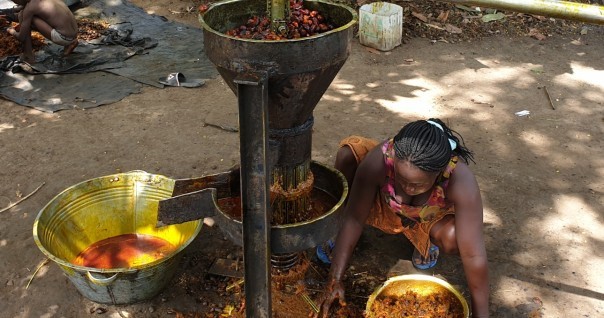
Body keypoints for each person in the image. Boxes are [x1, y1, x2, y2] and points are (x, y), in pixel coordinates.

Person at [311, 118, 489, 318]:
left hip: (426, 216)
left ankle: (424, 241)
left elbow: (474, 255)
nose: (408, 187)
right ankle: (337, 235)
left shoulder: (459, 180)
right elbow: (354, 218)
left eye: (419, 184)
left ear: (439, 172)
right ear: (393, 158)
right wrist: (334, 279)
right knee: (348, 153)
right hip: (384, 204)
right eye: (402, 179)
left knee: (453, 237)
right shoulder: (380, 160)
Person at [6, 0, 78, 63]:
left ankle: (29, 56)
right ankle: (70, 43)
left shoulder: (30, 8)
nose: (14, 2)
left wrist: (11, 31)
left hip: (63, 37)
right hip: (74, 33)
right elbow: (26, 5)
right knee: (26, 15)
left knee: (22, 16)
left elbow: (21, 37)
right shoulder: (35, 3)